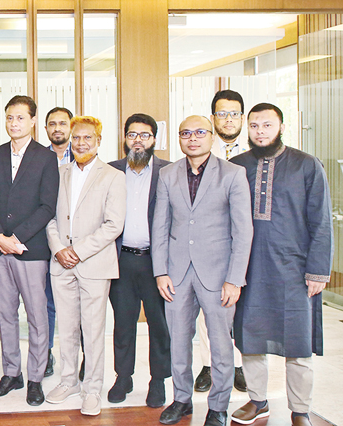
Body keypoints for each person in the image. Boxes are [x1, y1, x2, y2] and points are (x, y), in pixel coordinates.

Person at [229, 103, 332, 426]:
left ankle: (300, 409)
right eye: (254, 125)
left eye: (267, 125)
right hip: (249, 269)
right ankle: (257, 401)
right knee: (250, 339)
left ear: (282, 127)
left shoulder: (307, 165)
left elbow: (321, 222)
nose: (260, 131)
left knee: (298, 344)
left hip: (295, 271)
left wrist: (318, 271)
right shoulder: (236, 166)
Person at [153, 115, 252, 426]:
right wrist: (160, 271)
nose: (192, 138)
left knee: (221, 345)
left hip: (219, 275)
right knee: (178, 341)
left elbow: (243, 230)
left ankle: (218, 406)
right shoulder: (168, 174)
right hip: (176, 274)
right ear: (179, 139)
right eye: (185, 133)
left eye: (199, 132)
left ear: (211, 136)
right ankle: (181, 400)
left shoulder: (233, 174)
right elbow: (160, 226)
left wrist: (235, 279)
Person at [44, 116, 126, 416]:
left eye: (87, 138)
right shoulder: (59, 173)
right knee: (66, 327)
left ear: (98, 141)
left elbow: (113, 225)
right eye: (76, 138)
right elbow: (48, 216)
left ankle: (92, 389)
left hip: (94, 263)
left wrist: (77, 251)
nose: (81, 143)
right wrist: (58, 249)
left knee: (92, 331)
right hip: (61, 263)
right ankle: (68, 381)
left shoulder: (114, 176)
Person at [0, 96, 58, 406]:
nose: (14, 123)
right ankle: (11, 373)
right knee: (6, 313)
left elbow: (47, 206)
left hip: (30, 248)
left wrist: (16, 237)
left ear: (33, 121)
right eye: (10, 117)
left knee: (37, 316)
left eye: (20, 117)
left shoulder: (46, 157)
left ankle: (36, 377)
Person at [106, 113, 171, 408]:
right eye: (132, 134)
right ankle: (123, 377)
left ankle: (158, 380)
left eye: (145, 135)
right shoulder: (111, 171)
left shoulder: (169, 172)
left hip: (157, 263)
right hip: (121, 259)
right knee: (123, 323)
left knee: (159, 324)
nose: (138, 141)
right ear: (125, 138)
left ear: (154, 139)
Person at [197, 89, 248, 393]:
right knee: (209, 307)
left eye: (234, 114)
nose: (228, 119)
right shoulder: (201, 150)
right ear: (213, 117)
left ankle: (238, 364)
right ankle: (208, 364)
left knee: (241, 308)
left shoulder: (255, 152)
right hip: (210, 244)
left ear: (242, 117)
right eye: (222, 114)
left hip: (245, 242)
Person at [43, 106, 75, 377]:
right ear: (45, 129)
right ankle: (47, 353)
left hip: (77, 246)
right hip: (43, 241)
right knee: (47, 303)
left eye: (62, 123)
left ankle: (83, 358)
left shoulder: (86, 156)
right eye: (52, 124)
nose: (57, 128)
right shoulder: (37, 158)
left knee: (80, 305)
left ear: (71, 127)